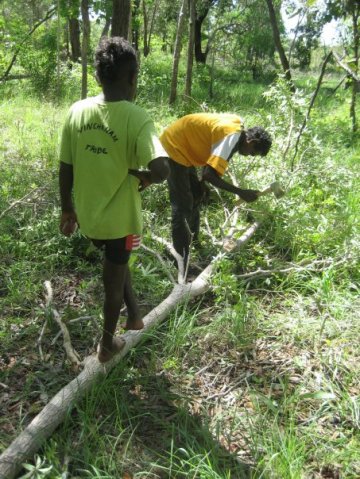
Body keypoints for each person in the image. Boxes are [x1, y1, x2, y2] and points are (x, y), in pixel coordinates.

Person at [59, 37, 169, 363]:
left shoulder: (76, 111)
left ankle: (134, 314)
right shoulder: (137, 118)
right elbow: (162, 168)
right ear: (133, 78)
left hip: (89, 220)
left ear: (97, 76)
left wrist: (68, 208)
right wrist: (147, 176)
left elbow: (65, 166)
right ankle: (107, 346)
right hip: (121, 222)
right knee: (113, 280)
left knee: (116, 265)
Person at [159, 113, 272, 268]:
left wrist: (202, 184)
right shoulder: (231, 138)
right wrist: (240, 192)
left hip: (185, 149)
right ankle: (179, 259)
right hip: (174, 146)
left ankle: (193, 240)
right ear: (250, 141)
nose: (249, 156)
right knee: (182, 206)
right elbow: (208, 174)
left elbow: (210, 164)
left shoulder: (237, 129)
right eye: (252, 152)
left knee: (198, 194)